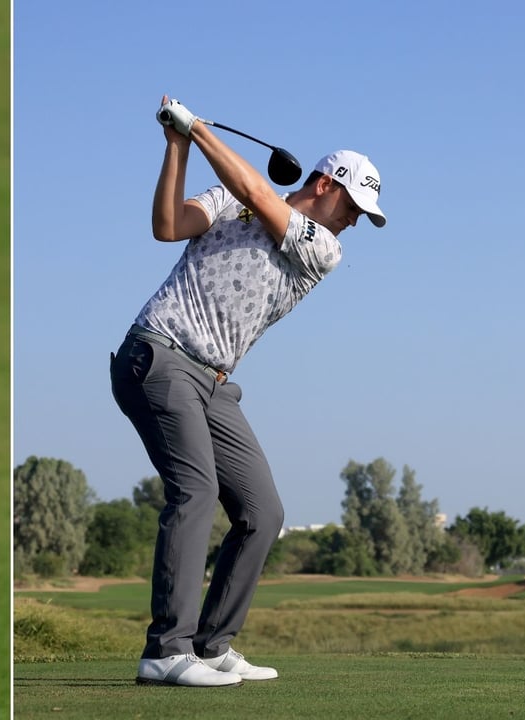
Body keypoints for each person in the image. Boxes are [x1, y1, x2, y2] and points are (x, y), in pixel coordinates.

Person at [110, 96, 387, 688]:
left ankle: (211, 645)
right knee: (196, 490)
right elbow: (167, 226)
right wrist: (177, 147)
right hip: (159, 354)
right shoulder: (229, 199)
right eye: (355, 205)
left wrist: (199, 130)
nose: (355, 220)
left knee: (264, 513)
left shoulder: (322, 248)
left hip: (213, 383)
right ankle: (166, 650)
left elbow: (262, 196)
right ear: (325, 183)